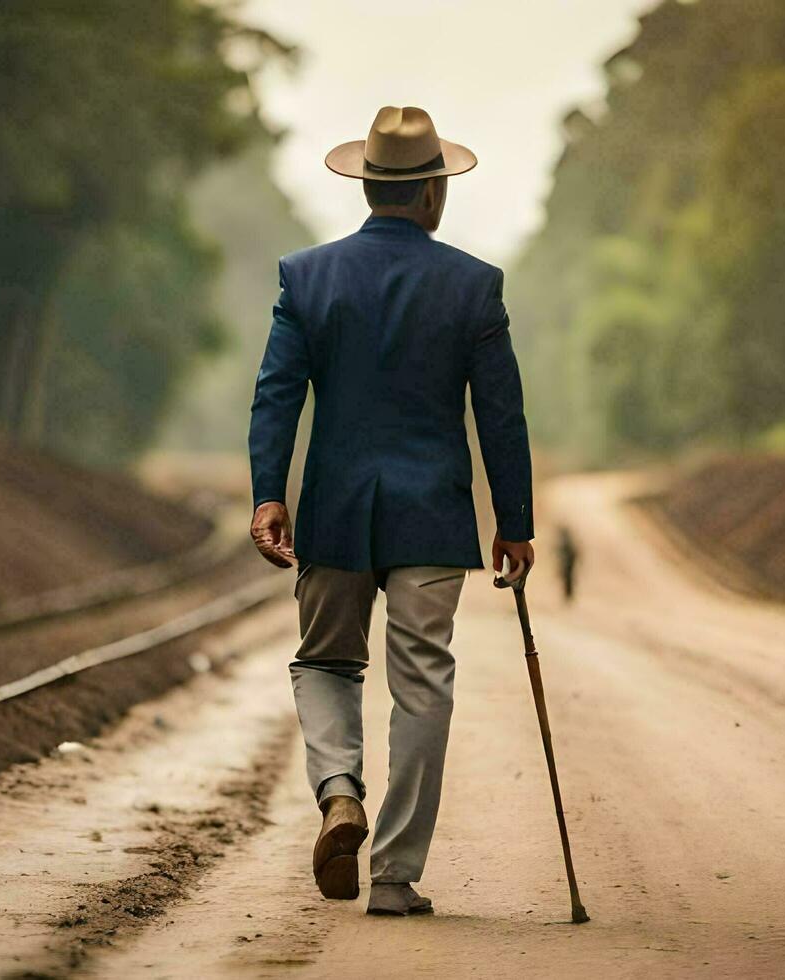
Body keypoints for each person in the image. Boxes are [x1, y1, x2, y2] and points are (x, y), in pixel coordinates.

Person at [247, 106, 534, 917]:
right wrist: (514, 520)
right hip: (432, 518)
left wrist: (271, 491)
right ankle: (396, 877)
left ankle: (339, 792)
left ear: (368, 186)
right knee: (422, 686)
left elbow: (277, 394)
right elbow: (500, 414)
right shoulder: (473, 284)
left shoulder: (307, 277)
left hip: (336, 511)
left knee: (326, 663)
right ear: (433, 192)